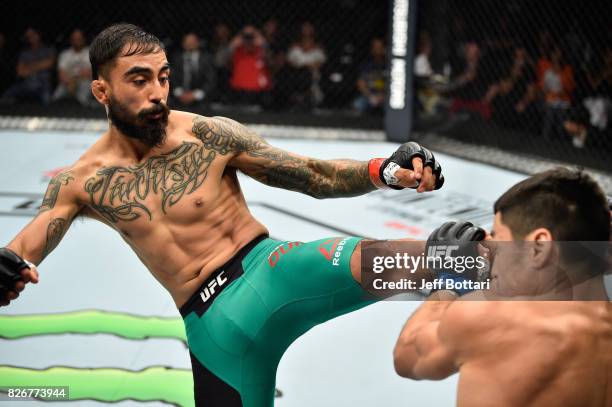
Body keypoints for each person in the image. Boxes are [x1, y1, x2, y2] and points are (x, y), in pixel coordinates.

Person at [0, 24, 444, 407]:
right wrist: (6, 271)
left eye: (163, 77)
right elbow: (24, 249)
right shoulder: (81, 181)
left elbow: (312, 175)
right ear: (102, 90)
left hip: (275, 271)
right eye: (139, 80)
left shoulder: (207, 133)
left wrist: (383, 171)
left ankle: (503, 269)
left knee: (443, 257)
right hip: (213, 334)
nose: (157, 93)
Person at [394, 168, 611, 407]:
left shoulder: (491, 322)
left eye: (500, 236)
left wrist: (451, 281)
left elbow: (408, 355)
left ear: (539, 247)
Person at [1, 27, 55, 104]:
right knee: (6, 97)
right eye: (28, 36)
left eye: (33, 35)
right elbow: (20, 72)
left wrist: (28, 67)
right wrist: (40, 65)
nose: (31, 38)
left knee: (47, 98)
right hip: (26, 84)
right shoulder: (24, 53)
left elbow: (49, 63)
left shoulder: (48, 49)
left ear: (38, 35)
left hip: (43, 84)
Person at [170, 32, 216, 107]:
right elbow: (171, 77)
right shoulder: (176, 58)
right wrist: (180, 93)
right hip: (178, 97)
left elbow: (211, 80)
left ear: (198, 43)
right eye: (187, 42)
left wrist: (195, 95)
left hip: (201, 98)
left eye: (192, 41)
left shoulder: (206, 59)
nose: (190, 44)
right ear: (183, 43)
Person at [52, 29, 92, 105]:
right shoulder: (65, 54)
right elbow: (61, 74)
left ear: (84, 39)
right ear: (71, 40)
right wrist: (69, 82)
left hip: (85, 81)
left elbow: (90, 73)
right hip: (67, 82)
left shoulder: (90, 52)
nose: (77, 41)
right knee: (56, 97)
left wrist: (74, 80)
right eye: (74, 39)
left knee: (82, 99)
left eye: (79, 38)